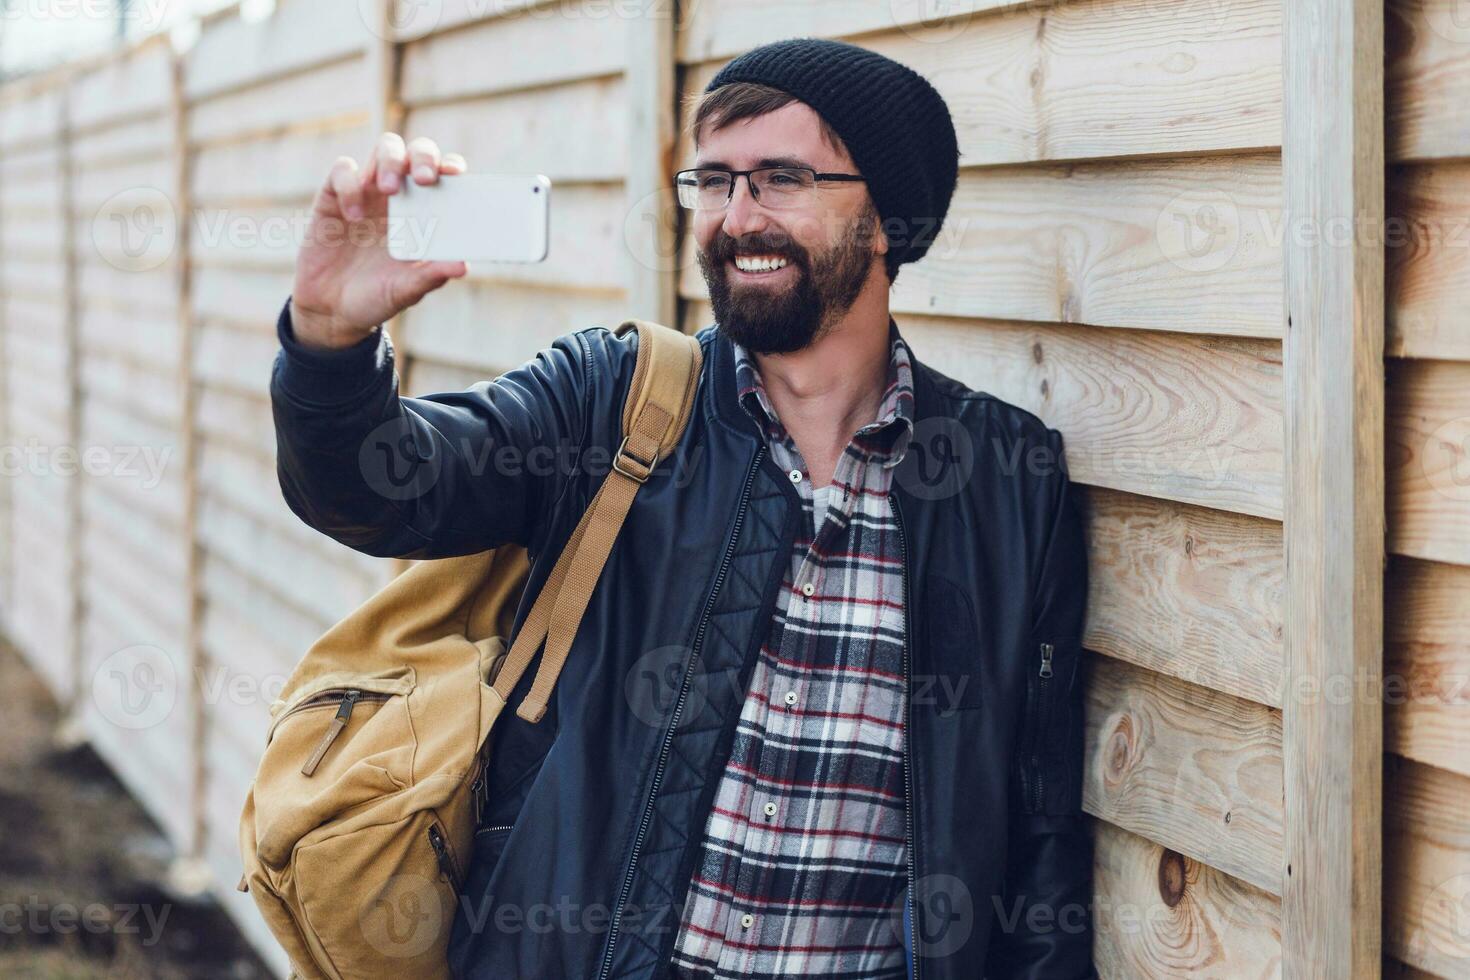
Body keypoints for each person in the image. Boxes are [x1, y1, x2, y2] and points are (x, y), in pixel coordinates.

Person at [270, 35, 1094, 980]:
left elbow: (1041, 843)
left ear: (885, 219)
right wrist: (329, 345)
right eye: (714, 181)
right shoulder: (613, 401)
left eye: (781, 178)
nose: (738, 217)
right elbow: (381, 490)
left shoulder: (1005, 479)